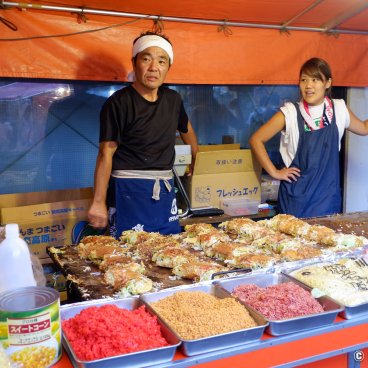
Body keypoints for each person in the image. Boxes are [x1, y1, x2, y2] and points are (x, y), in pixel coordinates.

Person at [87, 31, 199, 237]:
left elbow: (186, 129)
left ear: (168, 67)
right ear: (134, 62)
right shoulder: (118, 103)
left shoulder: (173, 100)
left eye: (161, 61)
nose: (153, 67)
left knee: (170, 250)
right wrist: (98, 202)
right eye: (146, 59)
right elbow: (105, 154)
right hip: (128, 190)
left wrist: (195, 158)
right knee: (128, 254)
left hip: (165, 191)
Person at [249, 57, 368, 218]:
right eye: (304, 80)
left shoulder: (339, 108)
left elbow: (364, 128)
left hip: (327, 199)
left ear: (328, 83)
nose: (308, 85)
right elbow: (256, 139)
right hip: (295, 200)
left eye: (315, 79)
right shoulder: (289, 113)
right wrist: (275, 172)